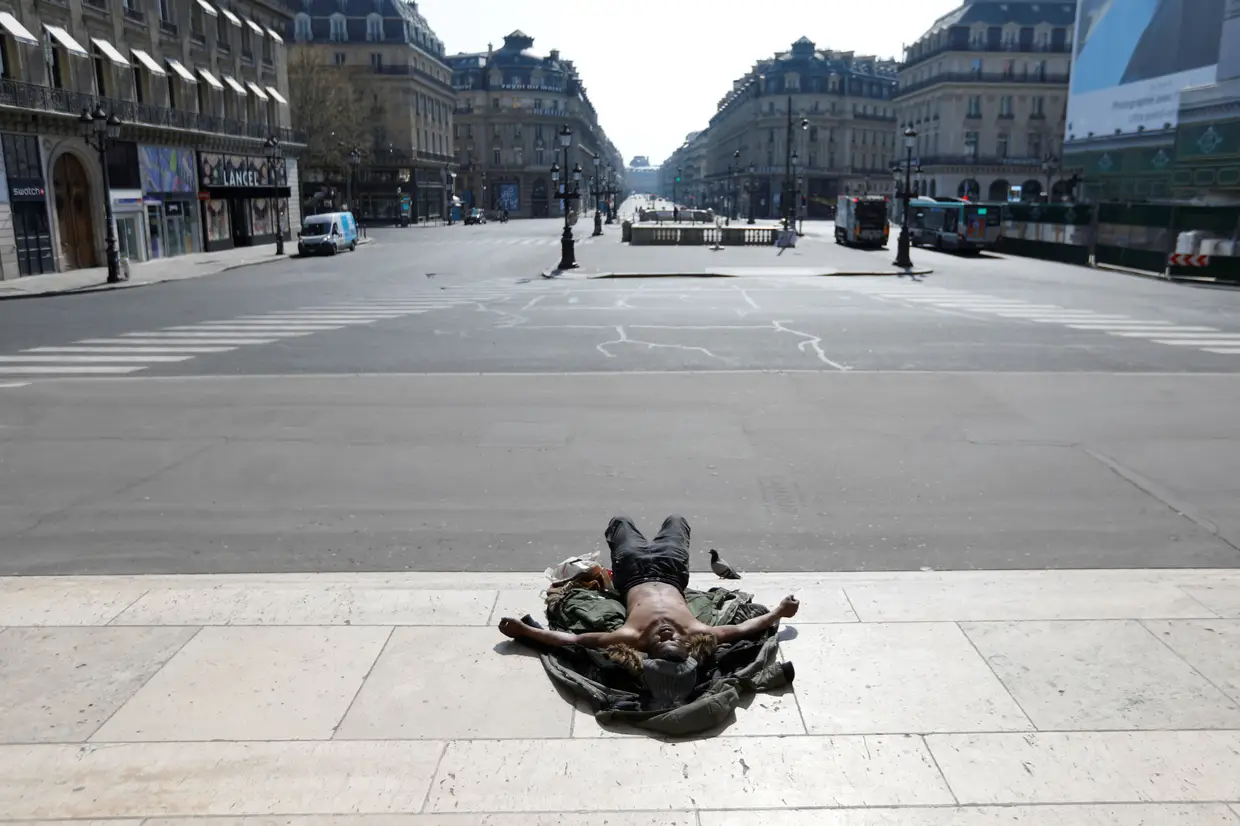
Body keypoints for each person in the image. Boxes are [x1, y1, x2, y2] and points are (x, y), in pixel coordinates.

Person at [498, 515, 798, 662]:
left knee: (621, 523)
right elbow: (746, 629)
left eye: (661, 641)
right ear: (685, 644)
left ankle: (622, 529)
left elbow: (569, 640)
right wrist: (780, 612)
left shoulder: (629, 637)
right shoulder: (696, 633)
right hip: (670, 571)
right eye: (673, 639)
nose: (667, 634)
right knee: (677, 521)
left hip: (632, 573)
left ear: (650, 649)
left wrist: (524, 631)